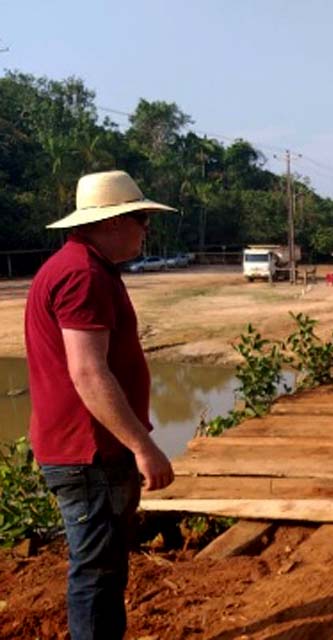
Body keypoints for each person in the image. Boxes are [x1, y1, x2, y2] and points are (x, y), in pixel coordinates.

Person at [24, 170, 177, 640]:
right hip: (89, 455)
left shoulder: (84, 268)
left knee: (105, 570)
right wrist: (143, 446)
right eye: (141, 219)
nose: (146, 229)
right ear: (111, 223)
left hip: (87, 452)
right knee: (95, 575)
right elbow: (88, 372)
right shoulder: (82, 275)